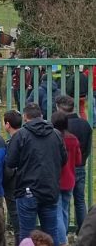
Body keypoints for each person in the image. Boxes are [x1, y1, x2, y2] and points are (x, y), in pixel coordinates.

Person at [6, 103, 67, 243]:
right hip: (50, 189)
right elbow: (63, 159)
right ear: (41, 115)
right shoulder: (56, 134)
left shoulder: (21, 135)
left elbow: (10, 162)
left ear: (25, 117)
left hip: (27, 190)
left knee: (27, 236)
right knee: (51, 235)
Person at [55, 95, 92, 233]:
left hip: (65, 168)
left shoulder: (61, 127)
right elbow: (88, 147)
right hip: (80, 165)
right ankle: (83, 231)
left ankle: (63, 231)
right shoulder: (85, 124)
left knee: (63, 203)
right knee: (80, 200)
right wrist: (82, 161)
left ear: (59, 108)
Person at [51, 111, 82, 243]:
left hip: (56, 180)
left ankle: (62, 239)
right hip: (69, 179)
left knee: (57, 212)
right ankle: (63, 236)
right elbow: (78, 160)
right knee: (64, 210)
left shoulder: (52, 138)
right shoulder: (73, 139)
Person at [3, 110, 23, 245]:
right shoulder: (26, 137)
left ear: (7, 124)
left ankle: (20, 241)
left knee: (16, 216)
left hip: (13, 184)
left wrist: (3, 180)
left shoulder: (11, 143)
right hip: (27, 182)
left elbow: (9, 167)